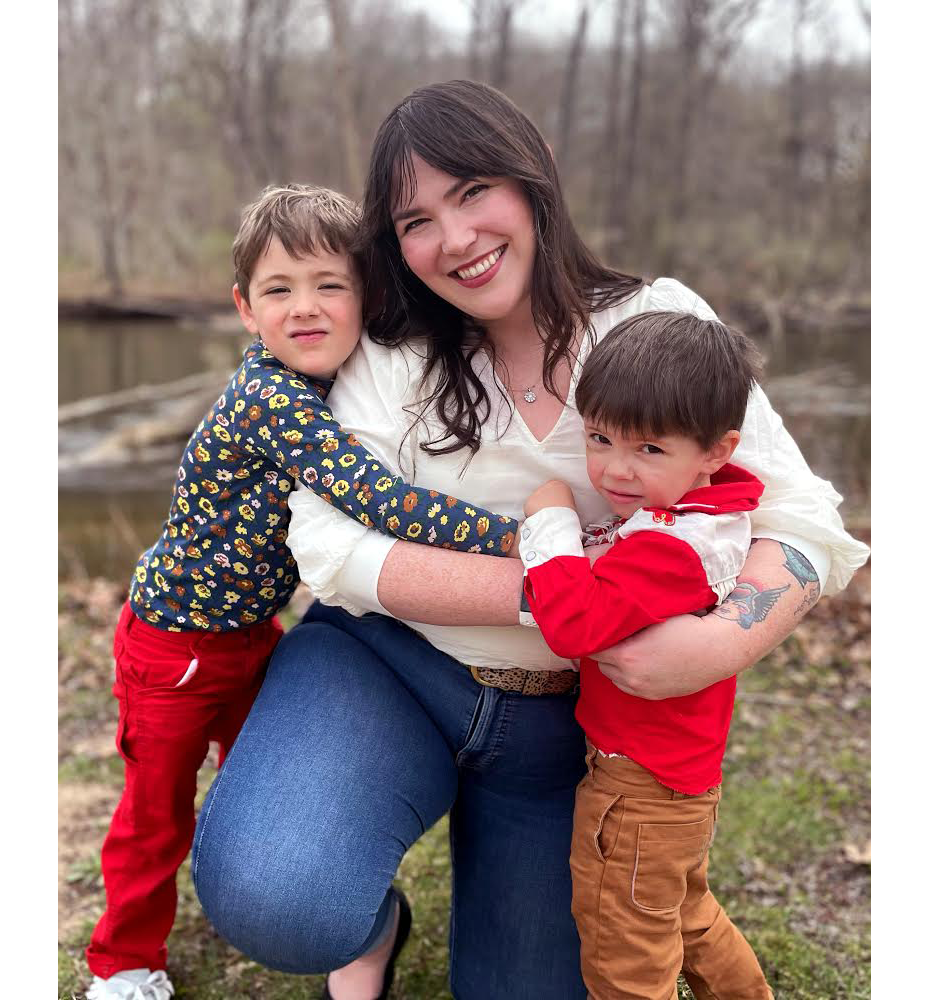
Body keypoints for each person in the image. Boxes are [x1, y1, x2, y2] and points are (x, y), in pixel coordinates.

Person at [190, 80, 870, 1000]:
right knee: (282, 896)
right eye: (416, 220)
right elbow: (327, 546)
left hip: (574, 730)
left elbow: (799, 519)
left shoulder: (654, 322)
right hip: (387, 667)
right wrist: (556, 590)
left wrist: (721, 640)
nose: (456, 239)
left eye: (473, 192)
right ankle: (369, 926)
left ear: (534, 175)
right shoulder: (385, 348)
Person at [84, 183, 519, 1000]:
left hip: (253, 638)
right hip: (177, 646)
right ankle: (123, 963)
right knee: (156, 812)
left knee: (271, 784)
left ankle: (333, 902)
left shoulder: (342, 382)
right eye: (279, 290)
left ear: (366, 296)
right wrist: (513, 540)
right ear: (245, 310)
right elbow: (379, 502)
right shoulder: (271, 399)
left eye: (329, 285)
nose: (305, 308)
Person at [519, 310, 774, 1000]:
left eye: (649, 451)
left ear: (715, 451)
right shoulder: (708, 513)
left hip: (636, 787)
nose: (613, 469)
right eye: (598, 438)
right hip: (680, 781)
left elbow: (573, 623)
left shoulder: (670, 546)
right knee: (684, 917)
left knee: (624, 953)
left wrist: (549, 523)